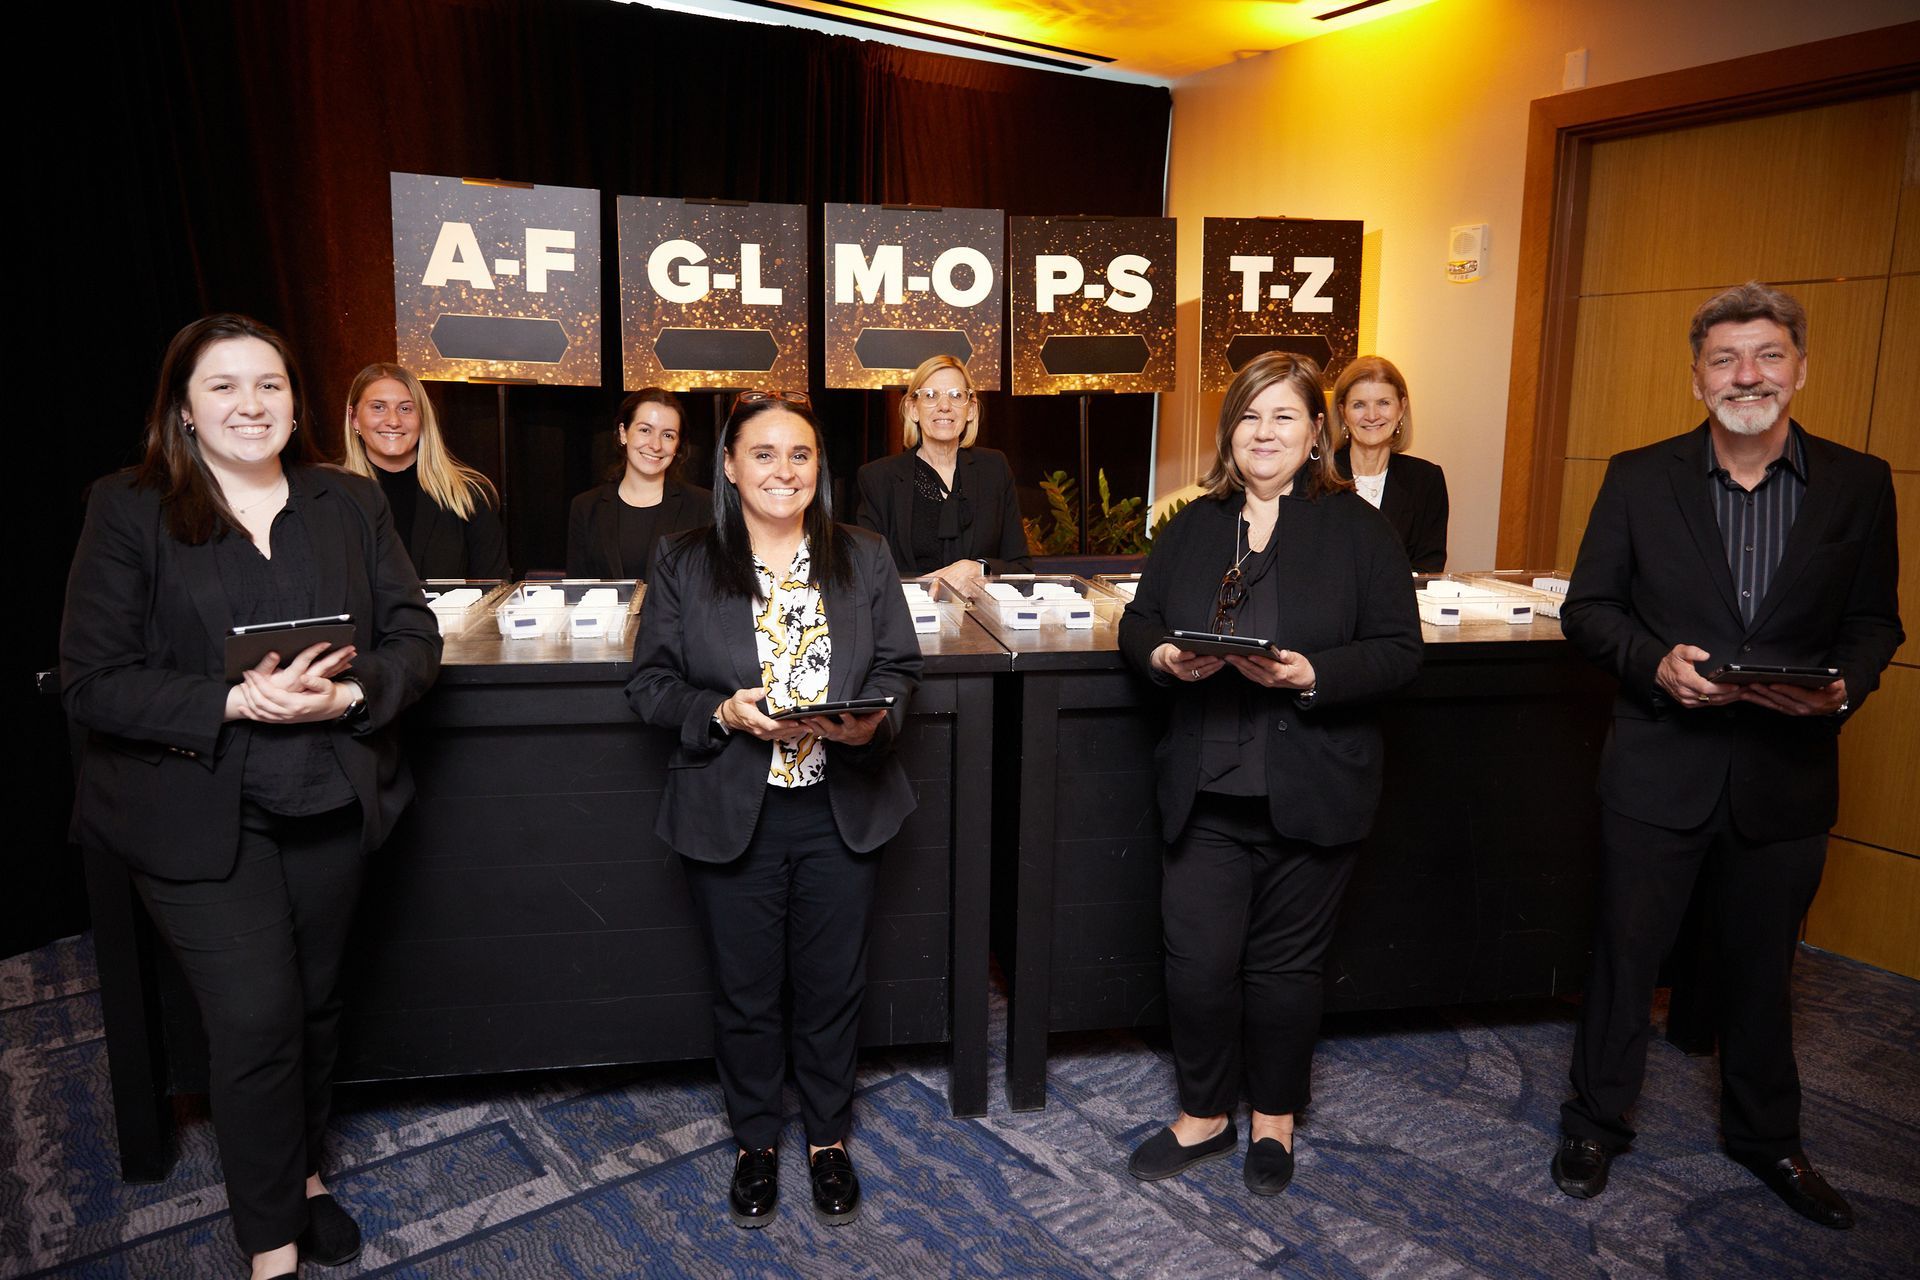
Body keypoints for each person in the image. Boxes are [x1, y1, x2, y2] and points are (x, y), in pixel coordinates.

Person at [61, 315, 442, 1279]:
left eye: (269, 385)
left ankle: (303, 1175)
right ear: (183, 410)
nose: (250, 404)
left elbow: (414, 640)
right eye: (223, 386)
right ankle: (270, 1247)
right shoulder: (129, 507)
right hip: (194, 811)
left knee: (313, 1006)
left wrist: (352, 692)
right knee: (255, 1018)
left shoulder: (348, 504)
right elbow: (94, 681)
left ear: (296, 401)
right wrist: (232, 698)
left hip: (327, 795)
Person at [1550, 282, 1902, 1229]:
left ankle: (1766, 1139)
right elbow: (1590, 610)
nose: (1748, 376)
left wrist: (1842, 686)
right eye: (1725, 359)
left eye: (1768, 356)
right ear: (1697, 375)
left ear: (1800, 368)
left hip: (1785, 775)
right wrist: (1654, 666)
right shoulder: (1638, 476)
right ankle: (1595, 1123)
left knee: (1762, 966)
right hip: (1661, 763)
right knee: (1626, 956)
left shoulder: (1861, 483)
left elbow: (1875, 622)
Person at [1117, 351, 1422, 1197]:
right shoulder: (1192, 523)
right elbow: (1138, 622)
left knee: (1286, 970)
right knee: (1199, 962)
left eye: (1284, 416)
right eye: (1250, 416)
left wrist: (1312, 674)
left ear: (1316, 431)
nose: (1265, 432)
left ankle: (1275, 1119)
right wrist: (1166, 655)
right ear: (1229, 432)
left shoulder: (1359, 528)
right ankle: (1205, 1113)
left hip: (1313, 782)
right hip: (1206, 786)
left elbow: (1400, 652)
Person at [626, 389, 922, 1228]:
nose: (783, 470)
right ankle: (757, 1141)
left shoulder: (862, 554)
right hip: (730, 807)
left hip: (842, 804)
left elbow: (902, 668)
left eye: (800, 454)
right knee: (746, 992)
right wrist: (719, 713)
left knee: (832, 986)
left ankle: (827, 1139)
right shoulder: (683, 558)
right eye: (763, 453)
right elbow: (649, 685)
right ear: (729, 466)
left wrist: (874, 721)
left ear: (817, 467)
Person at [856, 354, 1031, 583]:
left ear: (970, 409)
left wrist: (979, 568)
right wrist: (926, 586)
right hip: (910, 615)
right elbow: (866, 572)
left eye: (956, 395)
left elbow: (1022, 568)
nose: (945, 406)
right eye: (930, 396)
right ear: (913, 409)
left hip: (982, 615)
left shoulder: (994, 469)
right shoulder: (878, 478)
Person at [340, 362, 510, 579]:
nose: (393, 421)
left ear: (422, 418)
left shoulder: (469, 495)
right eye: (378, 407)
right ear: (354, 418)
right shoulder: (328, 497)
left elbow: (495, 595)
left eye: (405, 409)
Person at [565, 387, 711, 579]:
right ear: (623, 433)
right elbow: (576, 591)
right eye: (645, 430)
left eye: (668, 435)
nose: (655, 445)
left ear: (677, 446)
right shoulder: (585, 507)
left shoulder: (703, 505)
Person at [1330, 355, 1449, 571]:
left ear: (1401, 408)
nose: (1372, 415)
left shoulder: (1426, 480)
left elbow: (1428, 567)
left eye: (1383, 403)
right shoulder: (1318, 475)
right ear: (1343, 412)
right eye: (1359, 405)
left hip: (1399, 603)